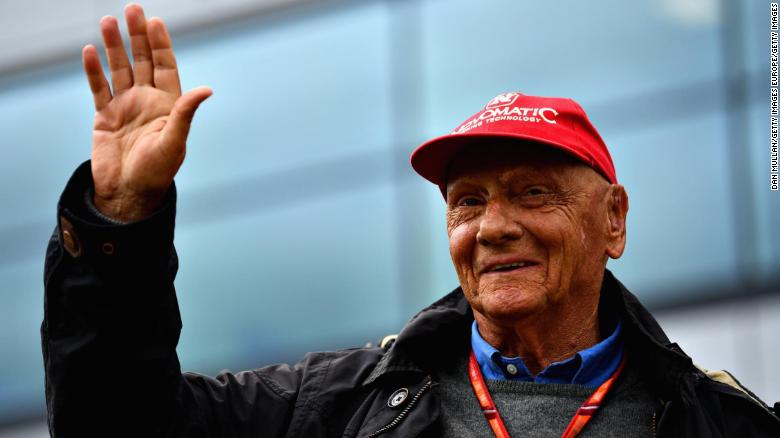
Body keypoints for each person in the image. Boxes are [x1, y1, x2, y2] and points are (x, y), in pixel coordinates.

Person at [42, 4, 779, 437]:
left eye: (531, 194)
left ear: (613, 221)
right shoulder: (337, 405)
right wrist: (123, 217)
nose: (492, 227)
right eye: (467, 202)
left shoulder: (722, 422)